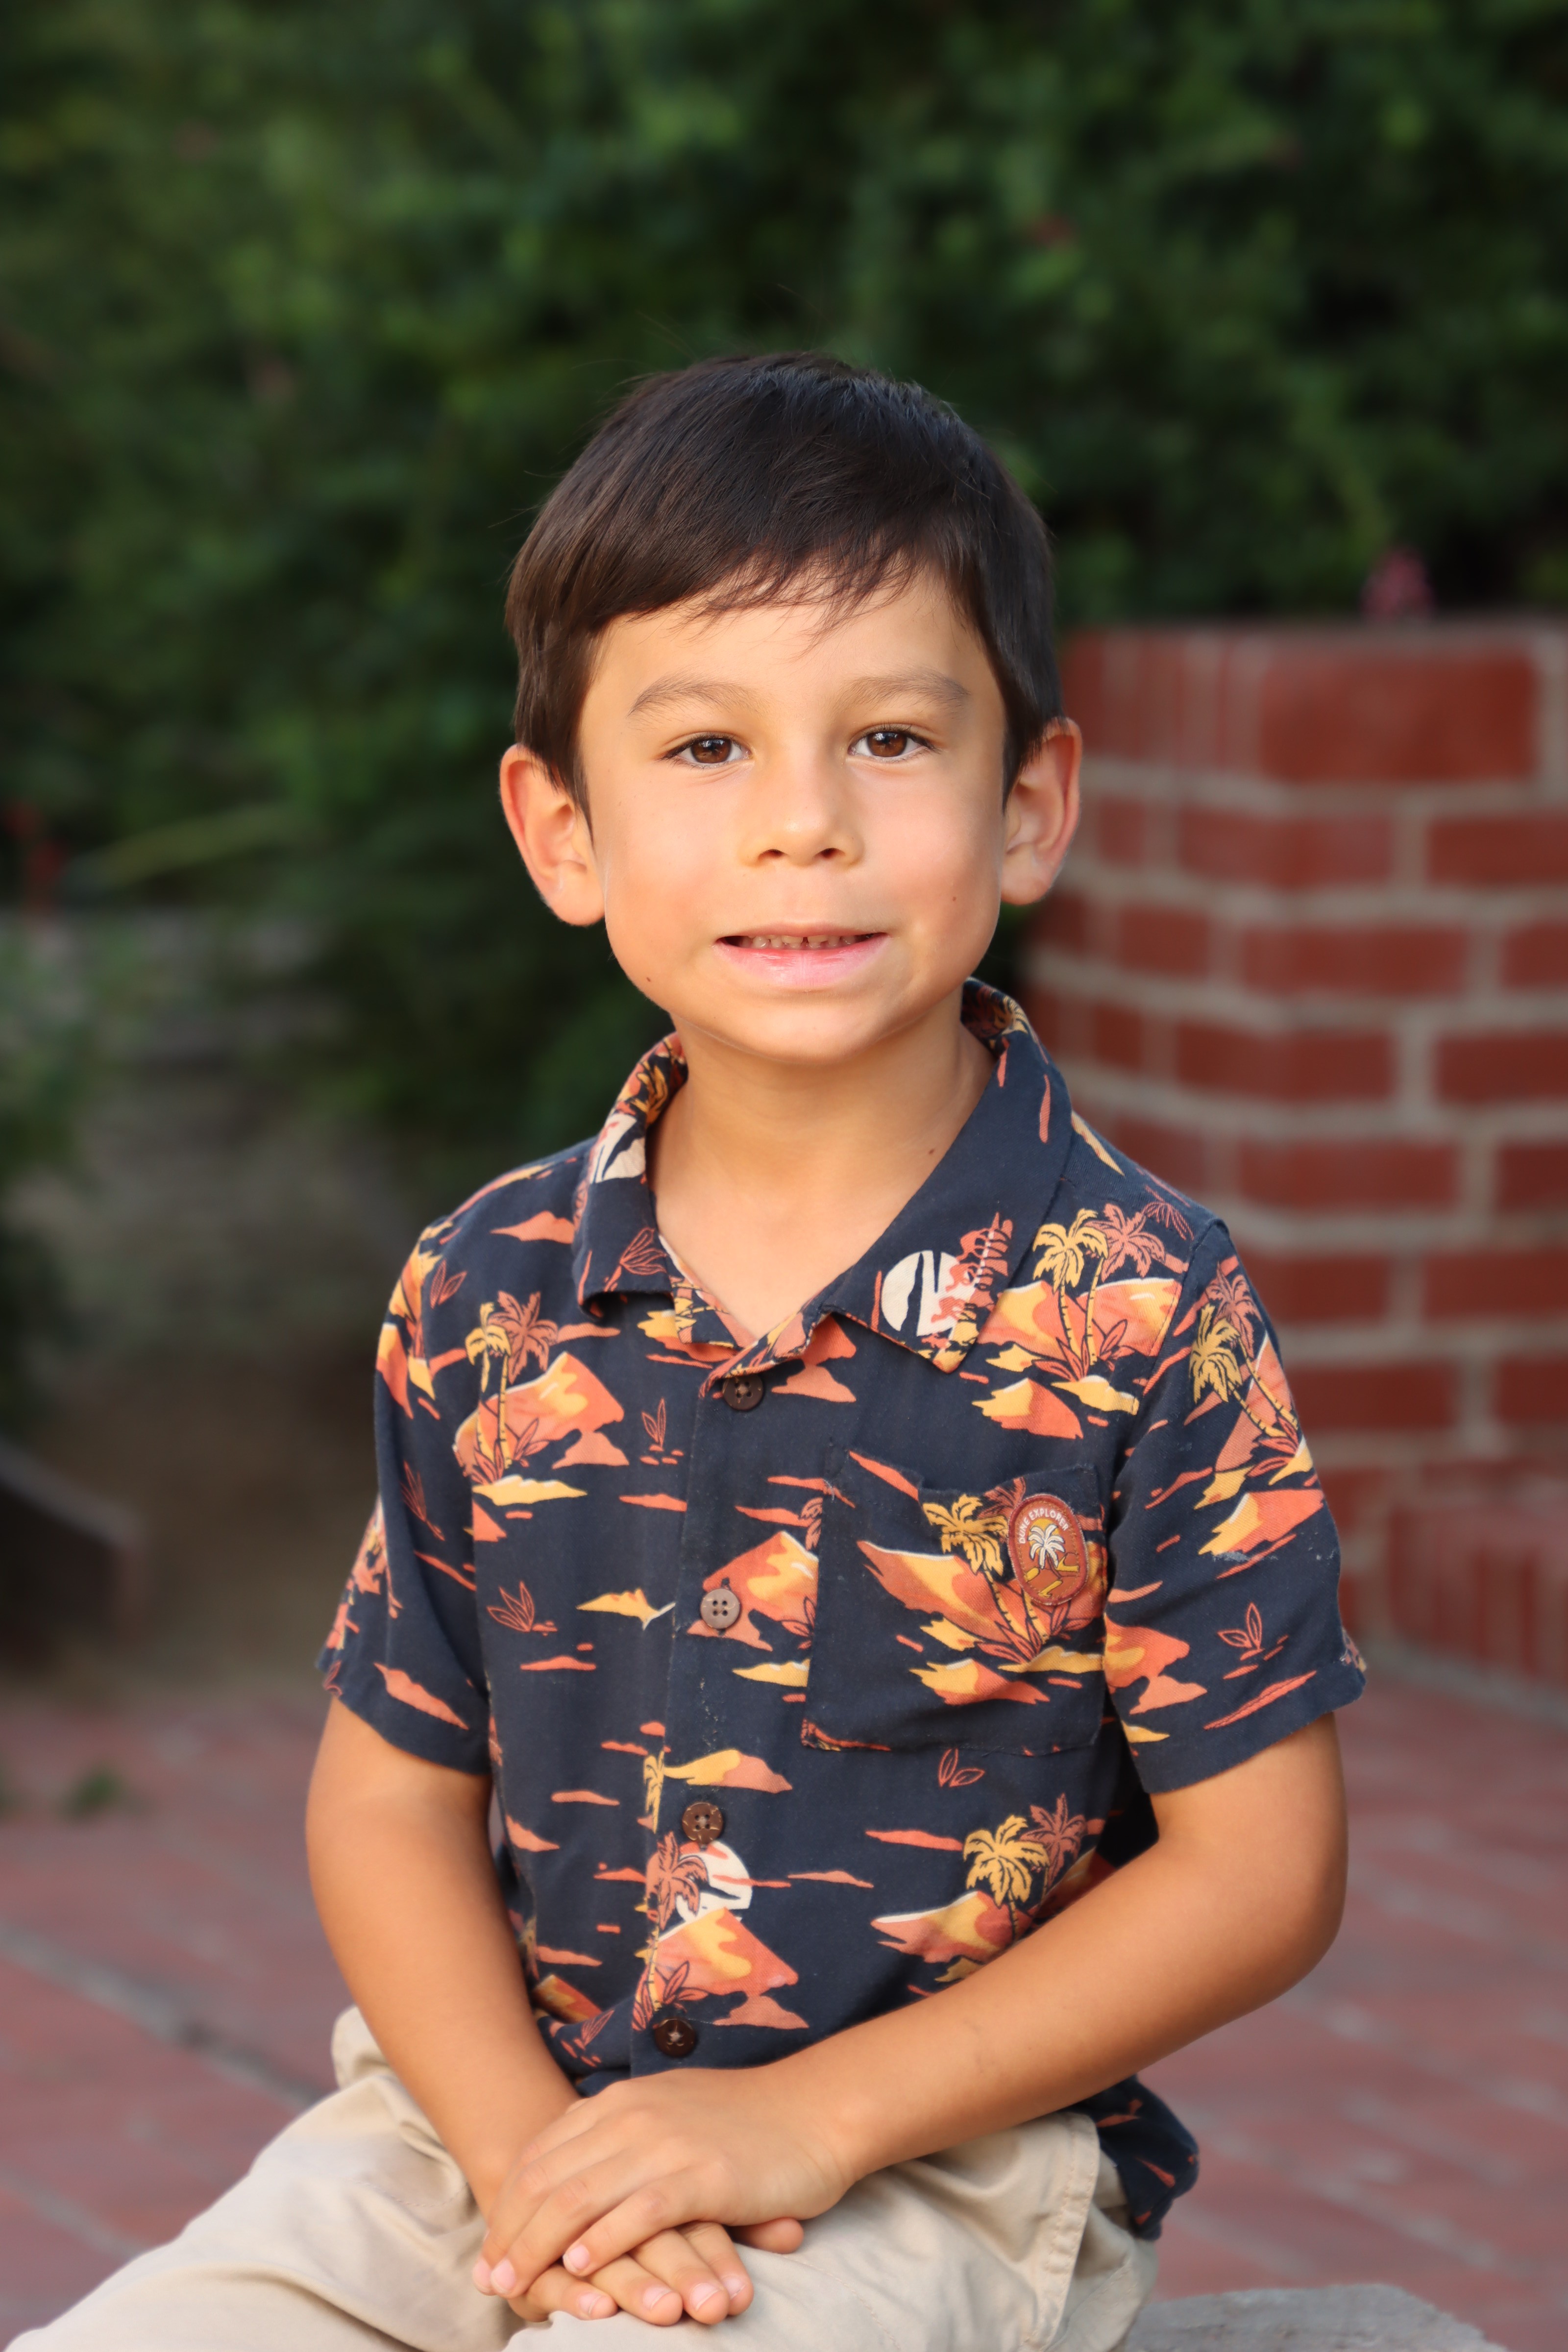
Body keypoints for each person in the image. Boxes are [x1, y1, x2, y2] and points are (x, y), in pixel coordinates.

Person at [23, 353, 1363, 2351]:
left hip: (922, 2159)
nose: (801, 823)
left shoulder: (1138, 1311)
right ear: (561, 831)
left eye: (889, 739)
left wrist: (799, 2124)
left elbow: (1262, 1871)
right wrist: (524, 2160)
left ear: (1028, 806)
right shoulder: (486, 1292)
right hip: (479, 2121)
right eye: (707, 746)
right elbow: (386, 1801)